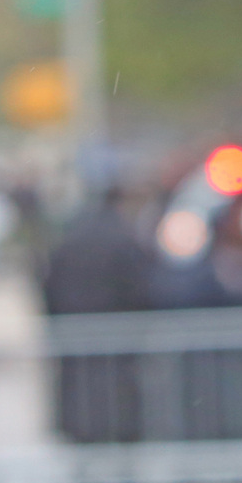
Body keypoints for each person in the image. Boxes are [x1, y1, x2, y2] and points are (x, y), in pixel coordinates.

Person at [42, 186, 151, 443]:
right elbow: (141, 290)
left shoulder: (70, 238)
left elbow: (49, 288)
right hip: (118, 353)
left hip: (76, 351)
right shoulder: (123, 238)